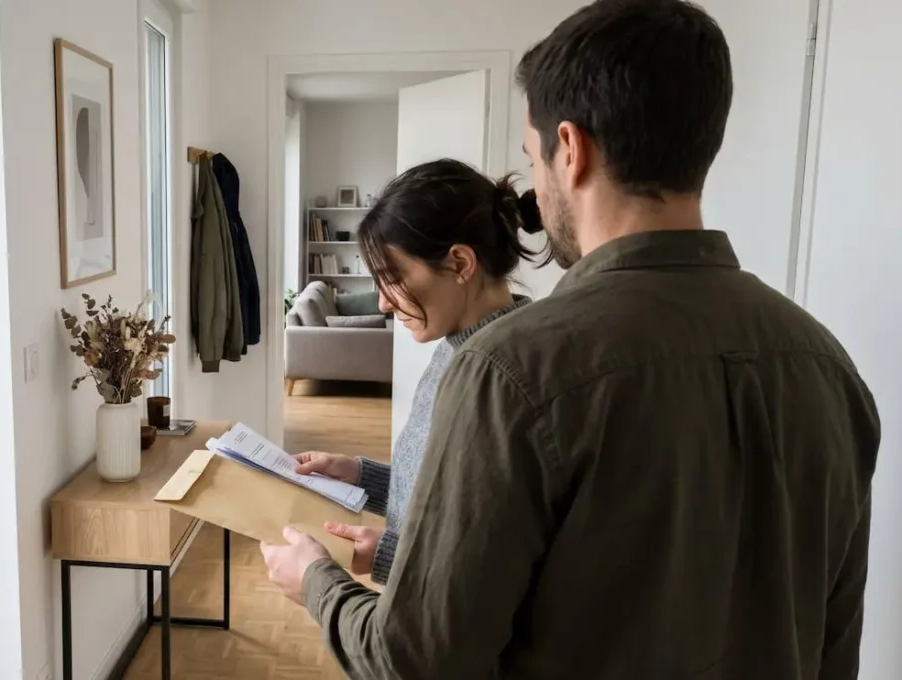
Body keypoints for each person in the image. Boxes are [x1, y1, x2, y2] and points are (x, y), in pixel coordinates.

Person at [259, 1, 881, 678]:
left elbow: (420, 660)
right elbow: (833, 643)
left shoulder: (511, 370)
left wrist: (317, 582)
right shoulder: (828, 368)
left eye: (534, 158)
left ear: (571, 148)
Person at [293, 158, 548, 585]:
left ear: (461, 264)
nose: (384, 304)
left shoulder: (503, 375)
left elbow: (497, 562)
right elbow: (443, 496)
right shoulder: (459, 345)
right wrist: (358, 474)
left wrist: (387, 557)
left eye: (393, 279)